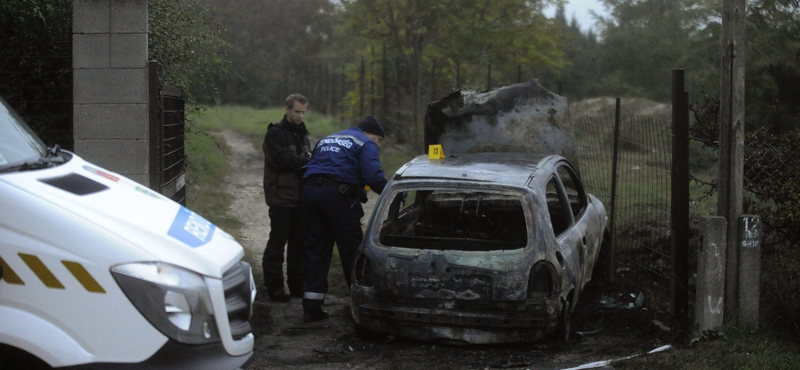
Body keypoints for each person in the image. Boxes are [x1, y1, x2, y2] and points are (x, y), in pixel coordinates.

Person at [300, 115, 388, 322]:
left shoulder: (328, 139)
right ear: (371, 134)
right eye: (379, 140)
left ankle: (311, 307)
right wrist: (391, 192)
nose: (378, 145)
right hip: (337, 196)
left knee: (316, 249)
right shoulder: (365, 142)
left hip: (309, 192)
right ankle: (359, 305)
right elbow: (373, 176)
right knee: (351, 250)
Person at [262, 94, 312, 302]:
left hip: (299, 197)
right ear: (288, 109)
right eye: (297, 111)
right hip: (281, 197)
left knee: (298, 244)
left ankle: (297, 286)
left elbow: (306, 160)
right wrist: (304, 162)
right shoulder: (275, 133)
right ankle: (274, 287)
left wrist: (304, 162)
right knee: (278, 242)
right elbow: (280, 160)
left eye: (302, 112)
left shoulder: (303, 135)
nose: (300, 116)